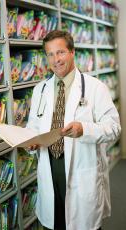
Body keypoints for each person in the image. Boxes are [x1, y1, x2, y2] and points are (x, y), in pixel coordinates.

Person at [26, 30, 121, 230]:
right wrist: (30, 141)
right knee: (54, 224)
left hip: (81, 174)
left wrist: (84, 129)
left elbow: (114, 127)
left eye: (60, 52)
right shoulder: (40, 90)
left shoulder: (95, 88)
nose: (55, 60)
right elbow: (33, 125)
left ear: (72, 52)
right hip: (50, 169)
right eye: (50, 54)